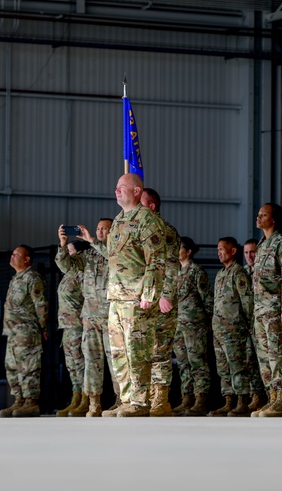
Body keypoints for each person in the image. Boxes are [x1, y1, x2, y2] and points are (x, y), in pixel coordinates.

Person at [106, 173, 167, 417]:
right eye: (116, 187)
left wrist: (149, 294)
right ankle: (126, 399)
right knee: (119, 352)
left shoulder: (147, 220)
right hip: (117, 296)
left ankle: (141, 402)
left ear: (136, 191)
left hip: (137, 297)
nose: (116, 191)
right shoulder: (119, 219)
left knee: (137, 350)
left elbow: (156, 260)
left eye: (122, 187)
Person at [250, 203, 282, 417]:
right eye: (259, 214)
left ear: (274, 220)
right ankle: (271, 398)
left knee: (279, 355)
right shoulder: (262, 245)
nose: (258, 218)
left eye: (263, 215)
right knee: (264, 358)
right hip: (261, 311)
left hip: (276, 311)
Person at [141, 188, 181, 417]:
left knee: (160, 351)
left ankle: (161, 398)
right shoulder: (138, 229)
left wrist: (166, 294)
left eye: (142, 202)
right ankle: (142, 397)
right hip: (142, 300)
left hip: (159, 300)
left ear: (152, 206)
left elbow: (172, 265)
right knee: (141, 351)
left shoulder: (165, 231)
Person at [0, 245, 47, 417]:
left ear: (26, 259)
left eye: (16, 255)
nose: (12, 257)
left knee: (28, 367)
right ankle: (19, 401)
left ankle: (31, 402)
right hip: (12, 333)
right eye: (11, 254)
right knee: (12, 367)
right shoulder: (16, 279)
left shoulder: (32, 278)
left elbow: (40, 305)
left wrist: (43, 327)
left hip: (27, 332)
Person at [76, 218, 119, 417]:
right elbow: (68, 267)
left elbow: (111, 256)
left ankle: (121, 399)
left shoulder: (117, 250)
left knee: (115, 359)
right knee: (92, 360)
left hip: (111, 315)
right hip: (91, 315)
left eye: (105, 229)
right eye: (98, 228)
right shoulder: (89, 254)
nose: (100, 232)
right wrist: (62, 246)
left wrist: (93, 240)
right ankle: (94, 402)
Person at [209, 237, 254, 417]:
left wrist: (246, 324)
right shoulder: (220, 274)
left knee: (237, 366)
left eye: (222, 249)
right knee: (223, 367)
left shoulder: (238, 273)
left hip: (234, 329)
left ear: (233, 251)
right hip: (219, 329)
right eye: (218, 249)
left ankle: (242, 400)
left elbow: (247, 302)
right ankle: (228, 400)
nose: (219, 252)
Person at [172, 237, 213, 416]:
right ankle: (186, 398)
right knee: (183, 364)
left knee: (198, 363)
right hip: (178, 325)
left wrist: (209, 321)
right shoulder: (175, 272)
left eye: (179, 248)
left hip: (195, 324)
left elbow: (207, 299)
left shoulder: (196, 271)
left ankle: (200, 399)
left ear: (188, 251)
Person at [54, 230, 87, 416]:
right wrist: (63, 244)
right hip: (67, 324)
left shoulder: (81, 272)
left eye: (71, 251)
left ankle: (85, 399)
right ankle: (75, 397)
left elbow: (88, 296)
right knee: (71, 363)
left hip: (78, 323)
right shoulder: (70, 274)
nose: (68, 254)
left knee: (80, 361)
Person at [242, 238, 267, 405]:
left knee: (264, 360)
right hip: (246, 323)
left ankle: (270, 396)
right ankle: (255, 395)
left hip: (261, 321)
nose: (249, 256)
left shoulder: (263, 272)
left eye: (252, 252)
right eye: (246, 253)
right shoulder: (242, 272)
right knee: (249, 361)